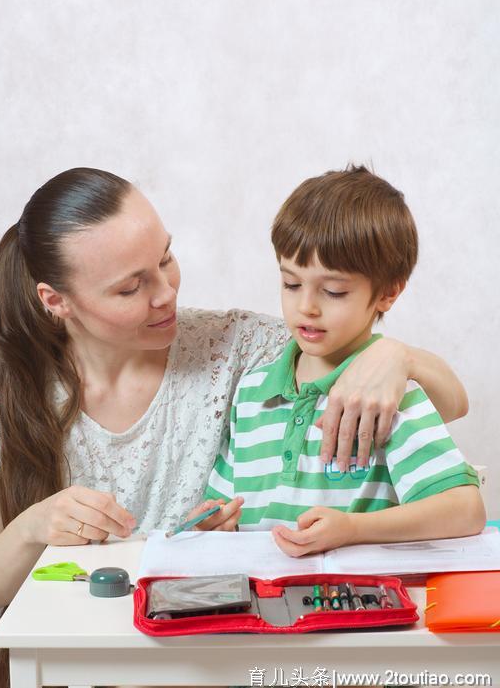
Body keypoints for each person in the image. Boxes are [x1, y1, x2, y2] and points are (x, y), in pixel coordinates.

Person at [0, 167, 470, 688]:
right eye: (130, 288)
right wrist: (34, 526)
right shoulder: (3, 384)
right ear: (57, 301)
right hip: (14, 653)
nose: (165, 293)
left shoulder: (234, 348)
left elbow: (437, 403)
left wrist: (395, 356)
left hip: (161, 656)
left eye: (166, 258)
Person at [202, 165, 486, 556]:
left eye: (333, 291)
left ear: (387, 293)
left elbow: (465, 511)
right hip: (262, 603)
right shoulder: (251, 392)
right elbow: (224, 504)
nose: (306, 307)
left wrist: (353, 528)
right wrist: (215, 521)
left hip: (356, 604)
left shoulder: (387, 394)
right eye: (291, 283)